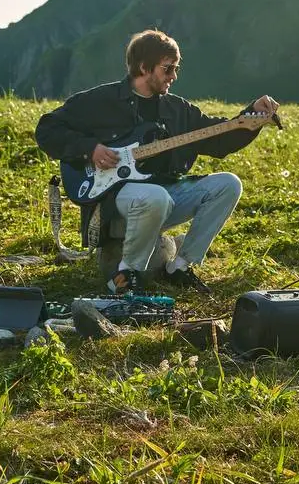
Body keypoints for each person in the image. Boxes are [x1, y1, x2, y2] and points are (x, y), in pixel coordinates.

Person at [34, 29, 280, 295]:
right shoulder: (100, 101)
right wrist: (89, 149)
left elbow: (218, 140)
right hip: (115, 201)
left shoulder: (178, 109)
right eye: (168, 68)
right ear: (143, 67)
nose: (174, 76)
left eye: (176, 68)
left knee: (228, 184)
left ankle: (180, 267)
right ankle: (126, 274)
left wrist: (251, 115)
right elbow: (47, 128)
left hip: (165, 196)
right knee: (155, 197)